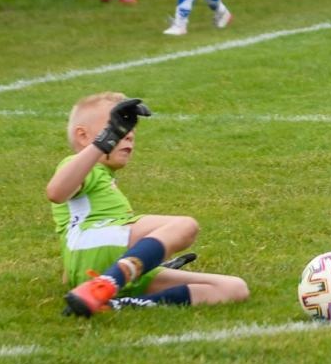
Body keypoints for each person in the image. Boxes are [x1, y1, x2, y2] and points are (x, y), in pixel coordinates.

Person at [49, 91, 249, 317]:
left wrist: (148, 259)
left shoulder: (102, 178)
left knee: (233, 288)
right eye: (115, 127)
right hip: (95, 252)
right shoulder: (84, 168)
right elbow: (56, 192)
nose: (127, 135)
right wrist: (101, 145)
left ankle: (114, 302)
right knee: (184, 226)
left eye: (129, 129)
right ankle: (106, 283)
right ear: (84, 136)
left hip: (99, 267)